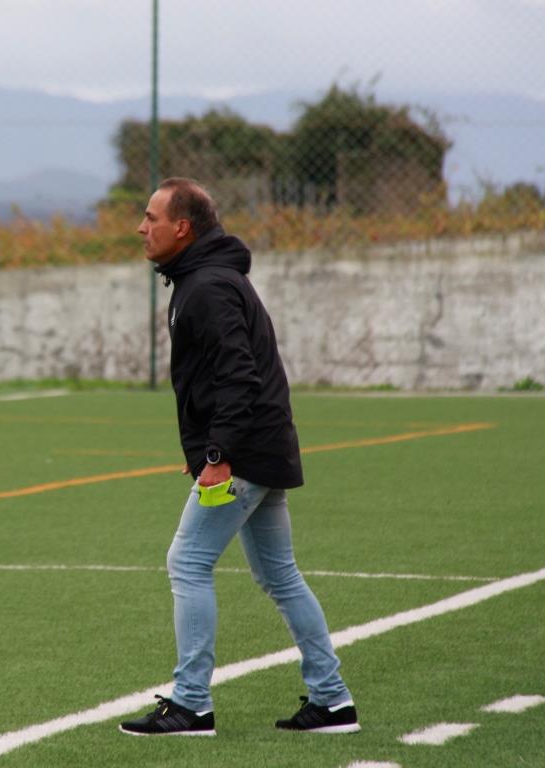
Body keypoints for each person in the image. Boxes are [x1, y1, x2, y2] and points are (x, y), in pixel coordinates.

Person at [119, 178, 360, 737]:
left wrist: (219, 452)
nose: (141, 226)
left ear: (183, 227)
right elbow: (222, 375)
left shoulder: (207, 287)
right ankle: (332, 699)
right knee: (279, 574)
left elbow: (238, 375)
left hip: (245, 452)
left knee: (188, 563)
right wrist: (204, 445)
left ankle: (191, 704)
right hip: (259, 446)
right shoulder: (201, 280)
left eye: (151, 217)